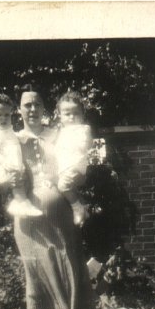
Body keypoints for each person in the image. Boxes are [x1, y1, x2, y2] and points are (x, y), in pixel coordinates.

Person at [0, 84, 93, 309]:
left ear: (44, 109)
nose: (32, 109)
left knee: (63, 271)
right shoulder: (10, 139)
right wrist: (6, 181)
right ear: (18, 110)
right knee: (34, 276)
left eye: (37, 104)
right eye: (27, 105)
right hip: (28, 219)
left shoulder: (58, 136)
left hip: (59, 215)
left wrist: (75, 193)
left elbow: (77, 170)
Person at [0, 92, 42, 217]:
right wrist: (5, 163)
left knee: (22, 182)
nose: (3, 118)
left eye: (7, 115)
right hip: (3, 167)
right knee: (17, 182)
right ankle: (23, 204)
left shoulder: (8, 131)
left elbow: (15, 139)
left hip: (13, 166)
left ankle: (18, 204)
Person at [55, 90, 92, 225]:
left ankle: (77, 209)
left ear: (82, 115)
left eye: (76, 113)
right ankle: (83, 208)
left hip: (74, 166)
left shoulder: (82, 129)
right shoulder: (62, 131)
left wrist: (85, 140)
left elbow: (85, 144)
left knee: (63, 187)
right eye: (67, 114)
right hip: (66, 167)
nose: (71, 117)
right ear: (60, 116)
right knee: (70, 189)